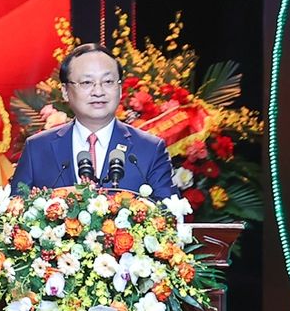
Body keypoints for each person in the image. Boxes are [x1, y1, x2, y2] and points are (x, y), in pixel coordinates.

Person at [11, 43, 177, 197]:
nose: (98, 91)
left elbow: (168, 212)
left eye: (108, 81)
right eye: (87, 82)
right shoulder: (37, 148)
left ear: (120, 89)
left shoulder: (150, 149)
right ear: (65, 91)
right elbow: (14, 210)